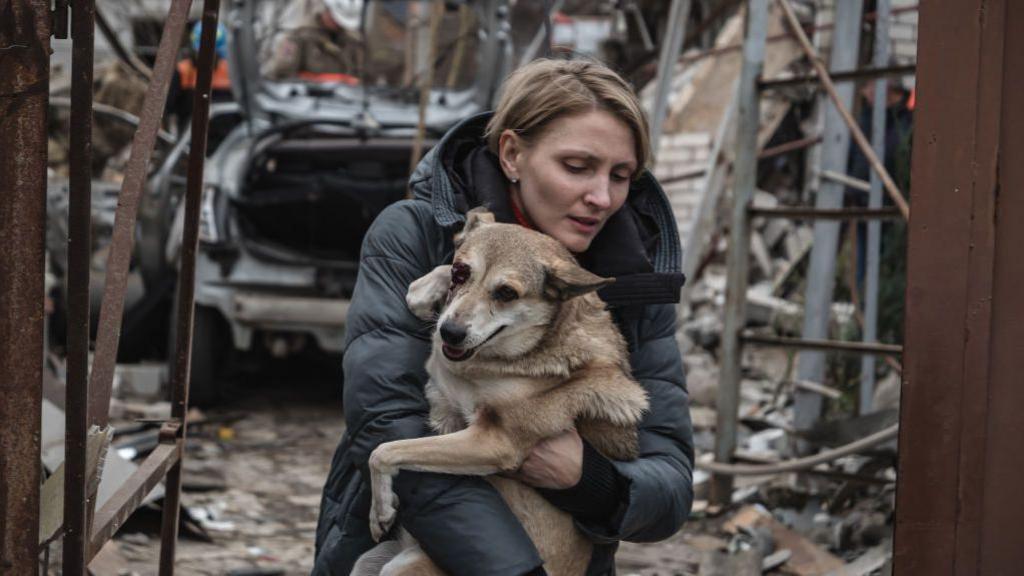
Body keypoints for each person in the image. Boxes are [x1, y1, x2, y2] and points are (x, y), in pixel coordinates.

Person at [312, 58, 695, 576]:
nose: (601, 198)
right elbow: (385, 419)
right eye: (577, 167)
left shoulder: (636, 279)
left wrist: (590, 482)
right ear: (513, 154)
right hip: (412, 545)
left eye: (620, 175)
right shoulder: (414, 235)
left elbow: (669, 485)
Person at [265, 0, 364, 83]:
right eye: (336, 18)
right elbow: (281, 76)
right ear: (326, 10)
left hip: (346, 104)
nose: (339, 24)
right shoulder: (298, 39)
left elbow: (364, 77)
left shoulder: (353, 42)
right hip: (307, 102)